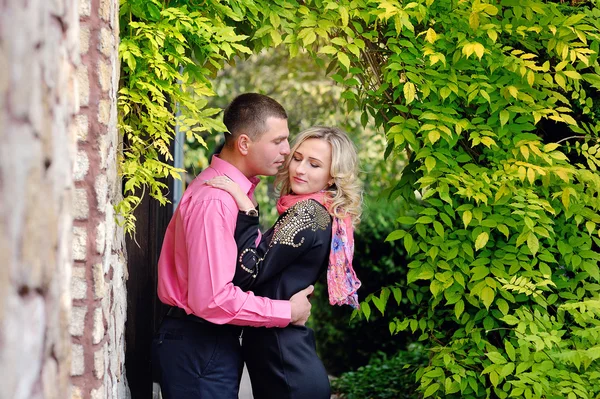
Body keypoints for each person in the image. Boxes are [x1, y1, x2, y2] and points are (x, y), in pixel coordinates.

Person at [152, 93, 315, 399]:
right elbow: (212, 299)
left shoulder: (234, 194)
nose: (287, 150)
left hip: (207, 343)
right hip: (200, 344)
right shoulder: (216, 199)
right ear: (243, 144)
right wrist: (286, 311)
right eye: (278, 140)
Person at [206, 126, 363, 399]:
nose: (300, 169)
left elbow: (248, 272)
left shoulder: (307, 213)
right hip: (283, 357)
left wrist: (246, 209)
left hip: (286, 365)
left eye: (314, 165)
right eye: (298, 158)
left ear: (331, 177)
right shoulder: (314, 210)